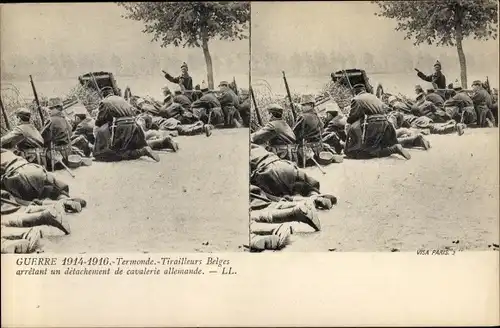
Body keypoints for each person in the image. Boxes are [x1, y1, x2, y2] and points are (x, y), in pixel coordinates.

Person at [344, 84, 410, 160]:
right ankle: (403, 144)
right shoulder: (374, 97)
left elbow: (353, 116)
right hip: (385, 121)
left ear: (355, 92)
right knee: (381, 144)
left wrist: (348, 126)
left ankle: (394, 149)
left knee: (368, 151)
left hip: (372, 123)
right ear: (364, 90)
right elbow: (385, 109)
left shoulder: (356, 99)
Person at [93, 87, 159, 162]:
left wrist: (97, 137)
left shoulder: (104, 102)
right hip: (133, 125)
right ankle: (145, 149)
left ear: (103, 95)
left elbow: (99, 121)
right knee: (130, 147)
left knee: (106, 154)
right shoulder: (121, 99)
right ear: (112, 93)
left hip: (120, 126)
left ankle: (142, 151)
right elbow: (133, 112)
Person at [41, 97, 73, 170]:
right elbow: (71, 133)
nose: (49, 110)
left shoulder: (51, 120)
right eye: (49, 108)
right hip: (68, 154)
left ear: (58, 108)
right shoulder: (65, 119)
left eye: (51, 108)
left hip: (57, 157)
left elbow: (42, 139)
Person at [292, 94, 324, 167]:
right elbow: (322, 130)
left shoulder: (303, 117)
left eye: (304, 105)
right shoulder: (317, 116)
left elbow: (293, 133)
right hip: (319, 150)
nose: (302, 107)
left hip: (306, 152)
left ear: (311, 105)